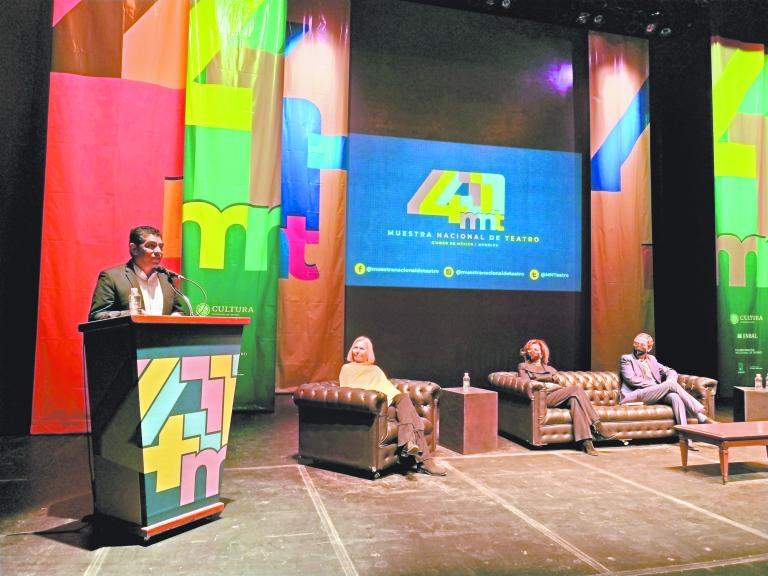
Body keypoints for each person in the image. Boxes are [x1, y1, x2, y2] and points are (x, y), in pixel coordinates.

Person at [339, 336, 447, 476]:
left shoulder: (375, 370)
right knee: (413, 417)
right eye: (355, 347)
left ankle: (409, 445)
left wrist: (388, 398)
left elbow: (387, 388)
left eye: (362, 348)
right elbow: (349, 389)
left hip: (384, 401)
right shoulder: (347, 368)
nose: (357, 351)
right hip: (372, 405)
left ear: (368, 352)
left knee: (403, 397)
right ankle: (425, 461)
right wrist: (378, 398)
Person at [518, 339, 618, 456]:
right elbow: (525, 383)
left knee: (575, 400)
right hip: (543, 397)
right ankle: (598, 425)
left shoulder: (549, 369)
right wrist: (542, 376)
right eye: (531, 349)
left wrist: (540, 378)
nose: (533, 351)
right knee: (576, 389)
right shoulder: (523, 366)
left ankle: (586, 443)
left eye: (536, 349)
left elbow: (554, 379)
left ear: (542, 353)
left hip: (556, 393)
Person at [620, 333, 715, 442]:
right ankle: (700, 415)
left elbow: (670, 371)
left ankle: (685, 438)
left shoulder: (652, 359)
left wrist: (669, 381)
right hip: (637, 395)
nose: (638, 347)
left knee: (675, 397)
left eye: (641, 345)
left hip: (654, 394)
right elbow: (632, 380)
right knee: (670, 385)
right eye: (636, 344)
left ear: (649, 348)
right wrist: (660, 386)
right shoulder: (627, 359)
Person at [88, 225, 185, 321]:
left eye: (161, 246)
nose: (158, 251)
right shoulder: (112, 277)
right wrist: (129, 315)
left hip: (162, 336)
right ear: (134, 249)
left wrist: (177, 316)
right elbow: (96, 316)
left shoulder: (167, 279)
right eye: (151, 246)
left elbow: (178, 311)